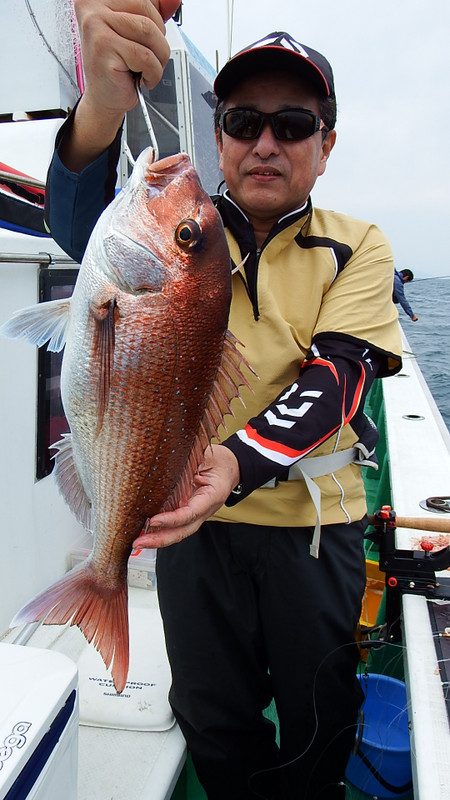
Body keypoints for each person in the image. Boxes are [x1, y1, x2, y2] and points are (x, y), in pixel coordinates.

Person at [45, 3, 402, 798]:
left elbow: (339, 378)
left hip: (315, 527)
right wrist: (99, 111)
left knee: (321, 714)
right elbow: (79, 229)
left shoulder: (360, 244)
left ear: (326, 144)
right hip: (189, 530)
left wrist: (233, 463)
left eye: (293, 123)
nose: (266, 141)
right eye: (243, 121)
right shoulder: (187, 230)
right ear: (221, 137)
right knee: (210, 713)